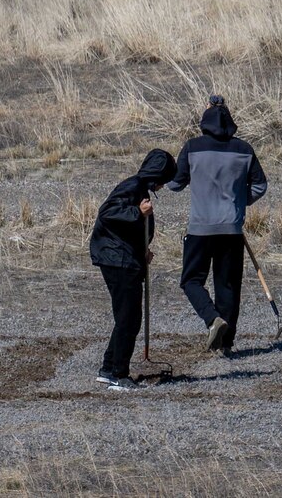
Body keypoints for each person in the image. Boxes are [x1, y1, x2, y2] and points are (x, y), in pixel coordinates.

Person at [167, 96, 268, 353]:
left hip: (200, 228)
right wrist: (238, 202)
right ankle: (226, 345)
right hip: (231, 228)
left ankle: (212, 319)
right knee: (228, 285)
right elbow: (259, 185)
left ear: (204, 119)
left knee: (191, 280)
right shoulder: (244, 149)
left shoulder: (192, 147)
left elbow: (175, 184)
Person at [89, 147, 176, 391]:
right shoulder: (132, 186)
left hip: (124, 258)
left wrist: (141, 251)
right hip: (116, 260)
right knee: (129, 318)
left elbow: (126, 229)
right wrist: (137, 211)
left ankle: (108, 369)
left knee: (126, 317)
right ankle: (119, 374)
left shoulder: (139, 187)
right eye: (164, 181)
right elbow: (107, 213)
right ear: (158, 176)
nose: (162, 187)